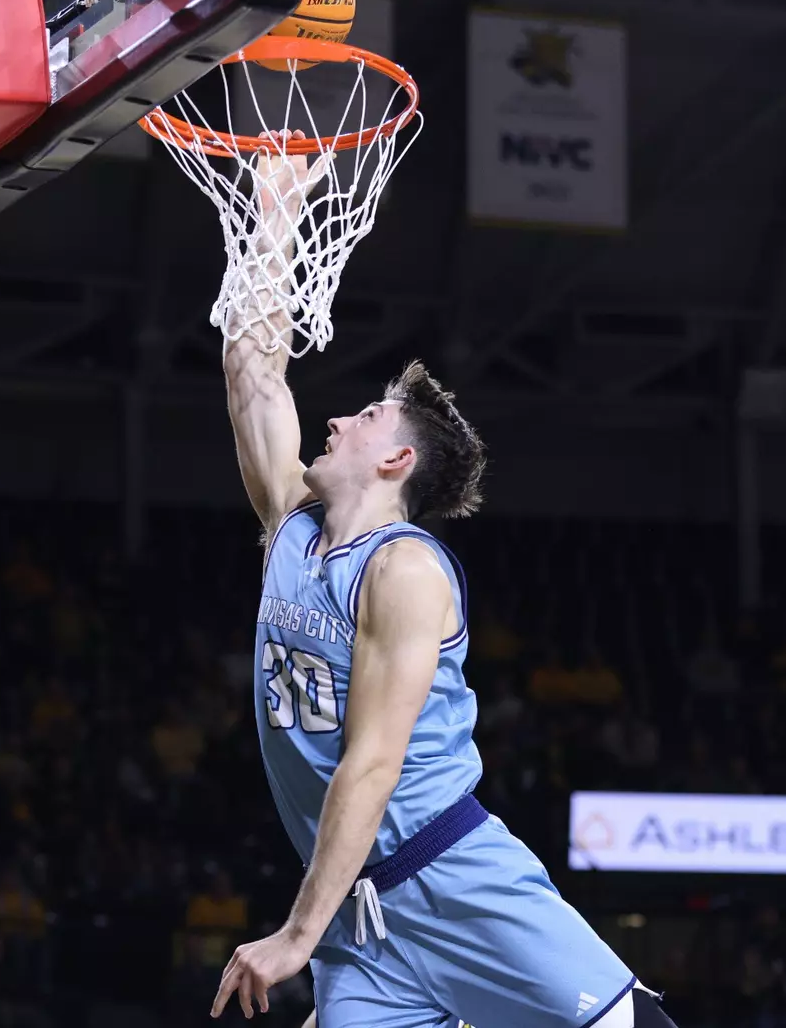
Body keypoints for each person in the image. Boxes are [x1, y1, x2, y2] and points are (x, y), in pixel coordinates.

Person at [209, 134, 671, 1028]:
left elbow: (374, 761)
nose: (336, 417)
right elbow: (251, 371)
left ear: (398, 459)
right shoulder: (288, 528)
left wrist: (295, 937)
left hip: (447, 875)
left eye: (367, 413)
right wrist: (273, 216)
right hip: (357, 912)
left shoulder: (405, 570)